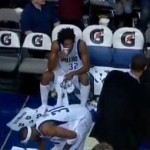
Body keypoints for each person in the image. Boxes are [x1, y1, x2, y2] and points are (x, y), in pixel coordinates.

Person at [90, 54, 147, 150]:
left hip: (102, 131)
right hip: (123, 140)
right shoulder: (141, 92)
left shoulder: (113, 75)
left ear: (129, 65)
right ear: (145, 68)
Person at [40, 28, 90, 107]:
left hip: (76, 70)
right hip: (61, 70)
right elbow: (50, 68)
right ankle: (44, 105)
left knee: (85, 77)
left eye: (71, 44)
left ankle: (83, 106)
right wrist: (56, 57)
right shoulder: (56, 45)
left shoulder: (80, 44)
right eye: (66, 45)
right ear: (61, 43)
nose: (69, 47)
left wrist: (72, 73)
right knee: (45, 76)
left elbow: (87, 67)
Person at [19, 104, 93, 150]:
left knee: (74, 146)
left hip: (83, 117)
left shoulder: (46, 129)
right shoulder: (36, 128)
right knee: (59, 143)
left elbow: (73, 136)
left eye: (30, 140)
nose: (31, 142)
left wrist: (66, 148)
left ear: (31, 137)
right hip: (77, 109)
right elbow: (40, 141)